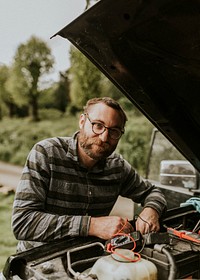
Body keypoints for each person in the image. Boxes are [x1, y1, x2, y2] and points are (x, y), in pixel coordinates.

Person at [12, 97, 166, 252]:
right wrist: (92, 225)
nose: (104, 137)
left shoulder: (117, 167)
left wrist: (151, 210)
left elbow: (153, 192)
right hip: (39, 261)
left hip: (90, 257)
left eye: (114, 131)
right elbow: (23, 223)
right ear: (82, 122)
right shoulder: (46, 153)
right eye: (98, 125)